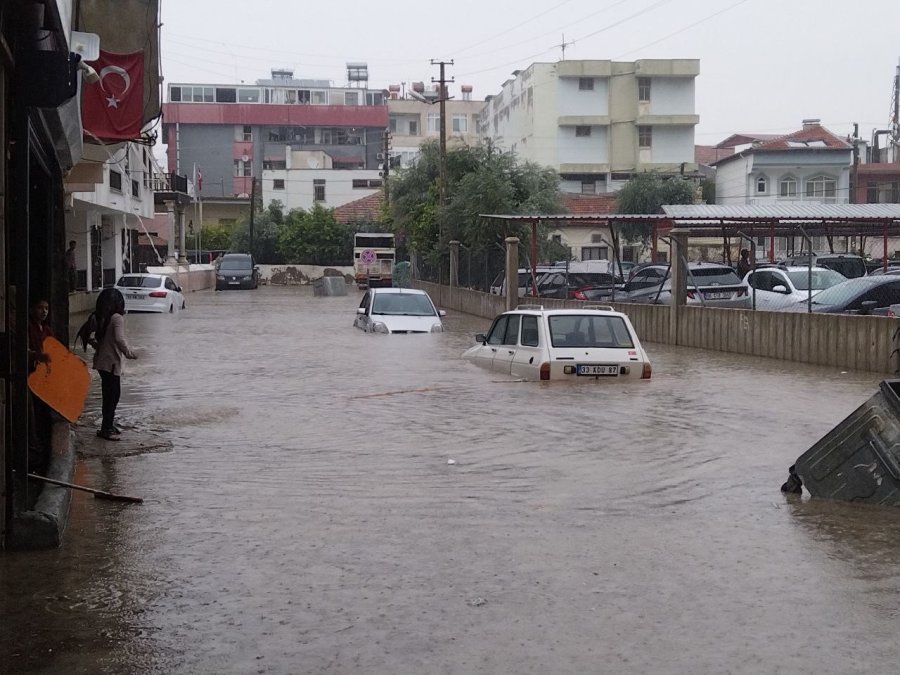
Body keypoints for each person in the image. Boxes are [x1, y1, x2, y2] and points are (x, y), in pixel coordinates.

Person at [76, 288, 137, 440]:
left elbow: (97, 339)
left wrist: (95, 344)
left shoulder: (103, 317)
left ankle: (107, 424)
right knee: (113, 396)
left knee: (109, 395)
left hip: (102, 362)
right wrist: (129, 353)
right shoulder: (117, 318)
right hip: (111, 363)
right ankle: (106, 429)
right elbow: (119, 339)